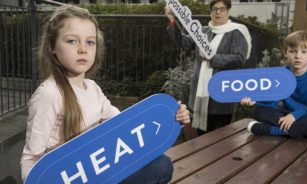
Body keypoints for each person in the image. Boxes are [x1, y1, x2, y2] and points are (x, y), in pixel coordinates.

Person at [20, 6, 190, 183]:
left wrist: (173, 116)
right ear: (52, 47)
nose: (82, 49)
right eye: (71, 41)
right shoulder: (49, 94)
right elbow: (31, 158)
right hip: (75, 179)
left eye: (90, 42)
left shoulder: (92, 87)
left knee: (161, 165)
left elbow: (124, 124)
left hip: (103, 171)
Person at [165, 0, 252, 135]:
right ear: (210, 12)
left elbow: (239, 59)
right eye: (214, 9)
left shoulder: (236, 32)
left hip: (221, 96)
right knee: (201, 139)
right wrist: (172, 21)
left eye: (222, 9)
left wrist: (213, 58)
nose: (218, 12)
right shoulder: (203, 31)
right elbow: (183, 42)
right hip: (200, 95)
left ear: (228, 11)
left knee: (220, 139)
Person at [241, 30, 307, 142]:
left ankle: (272, 130)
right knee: (259, 111)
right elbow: (272, 102)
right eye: (293, 51)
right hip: (286, 114)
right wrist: (255, 101)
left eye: (304, 52)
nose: (298, 56)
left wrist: (295, 115)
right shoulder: (281, 75)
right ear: (285, 53)